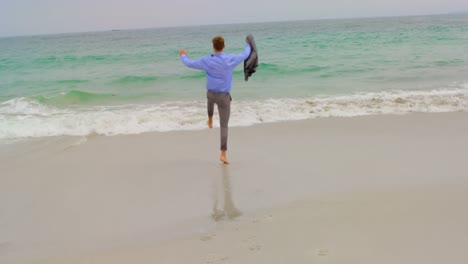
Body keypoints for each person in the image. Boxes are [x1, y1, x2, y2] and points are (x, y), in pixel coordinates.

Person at [179, 35, 251, 164]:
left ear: (213, 47)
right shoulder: (230, 59)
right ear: (224, 46)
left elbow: (189, 64)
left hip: (211, 95)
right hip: (224, 98)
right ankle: (223, 154)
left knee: (210, 97)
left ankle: (210, 118)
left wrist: (183, 55)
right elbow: (245, 54)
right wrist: (248, 43)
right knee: (224, 126)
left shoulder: (207, 60)